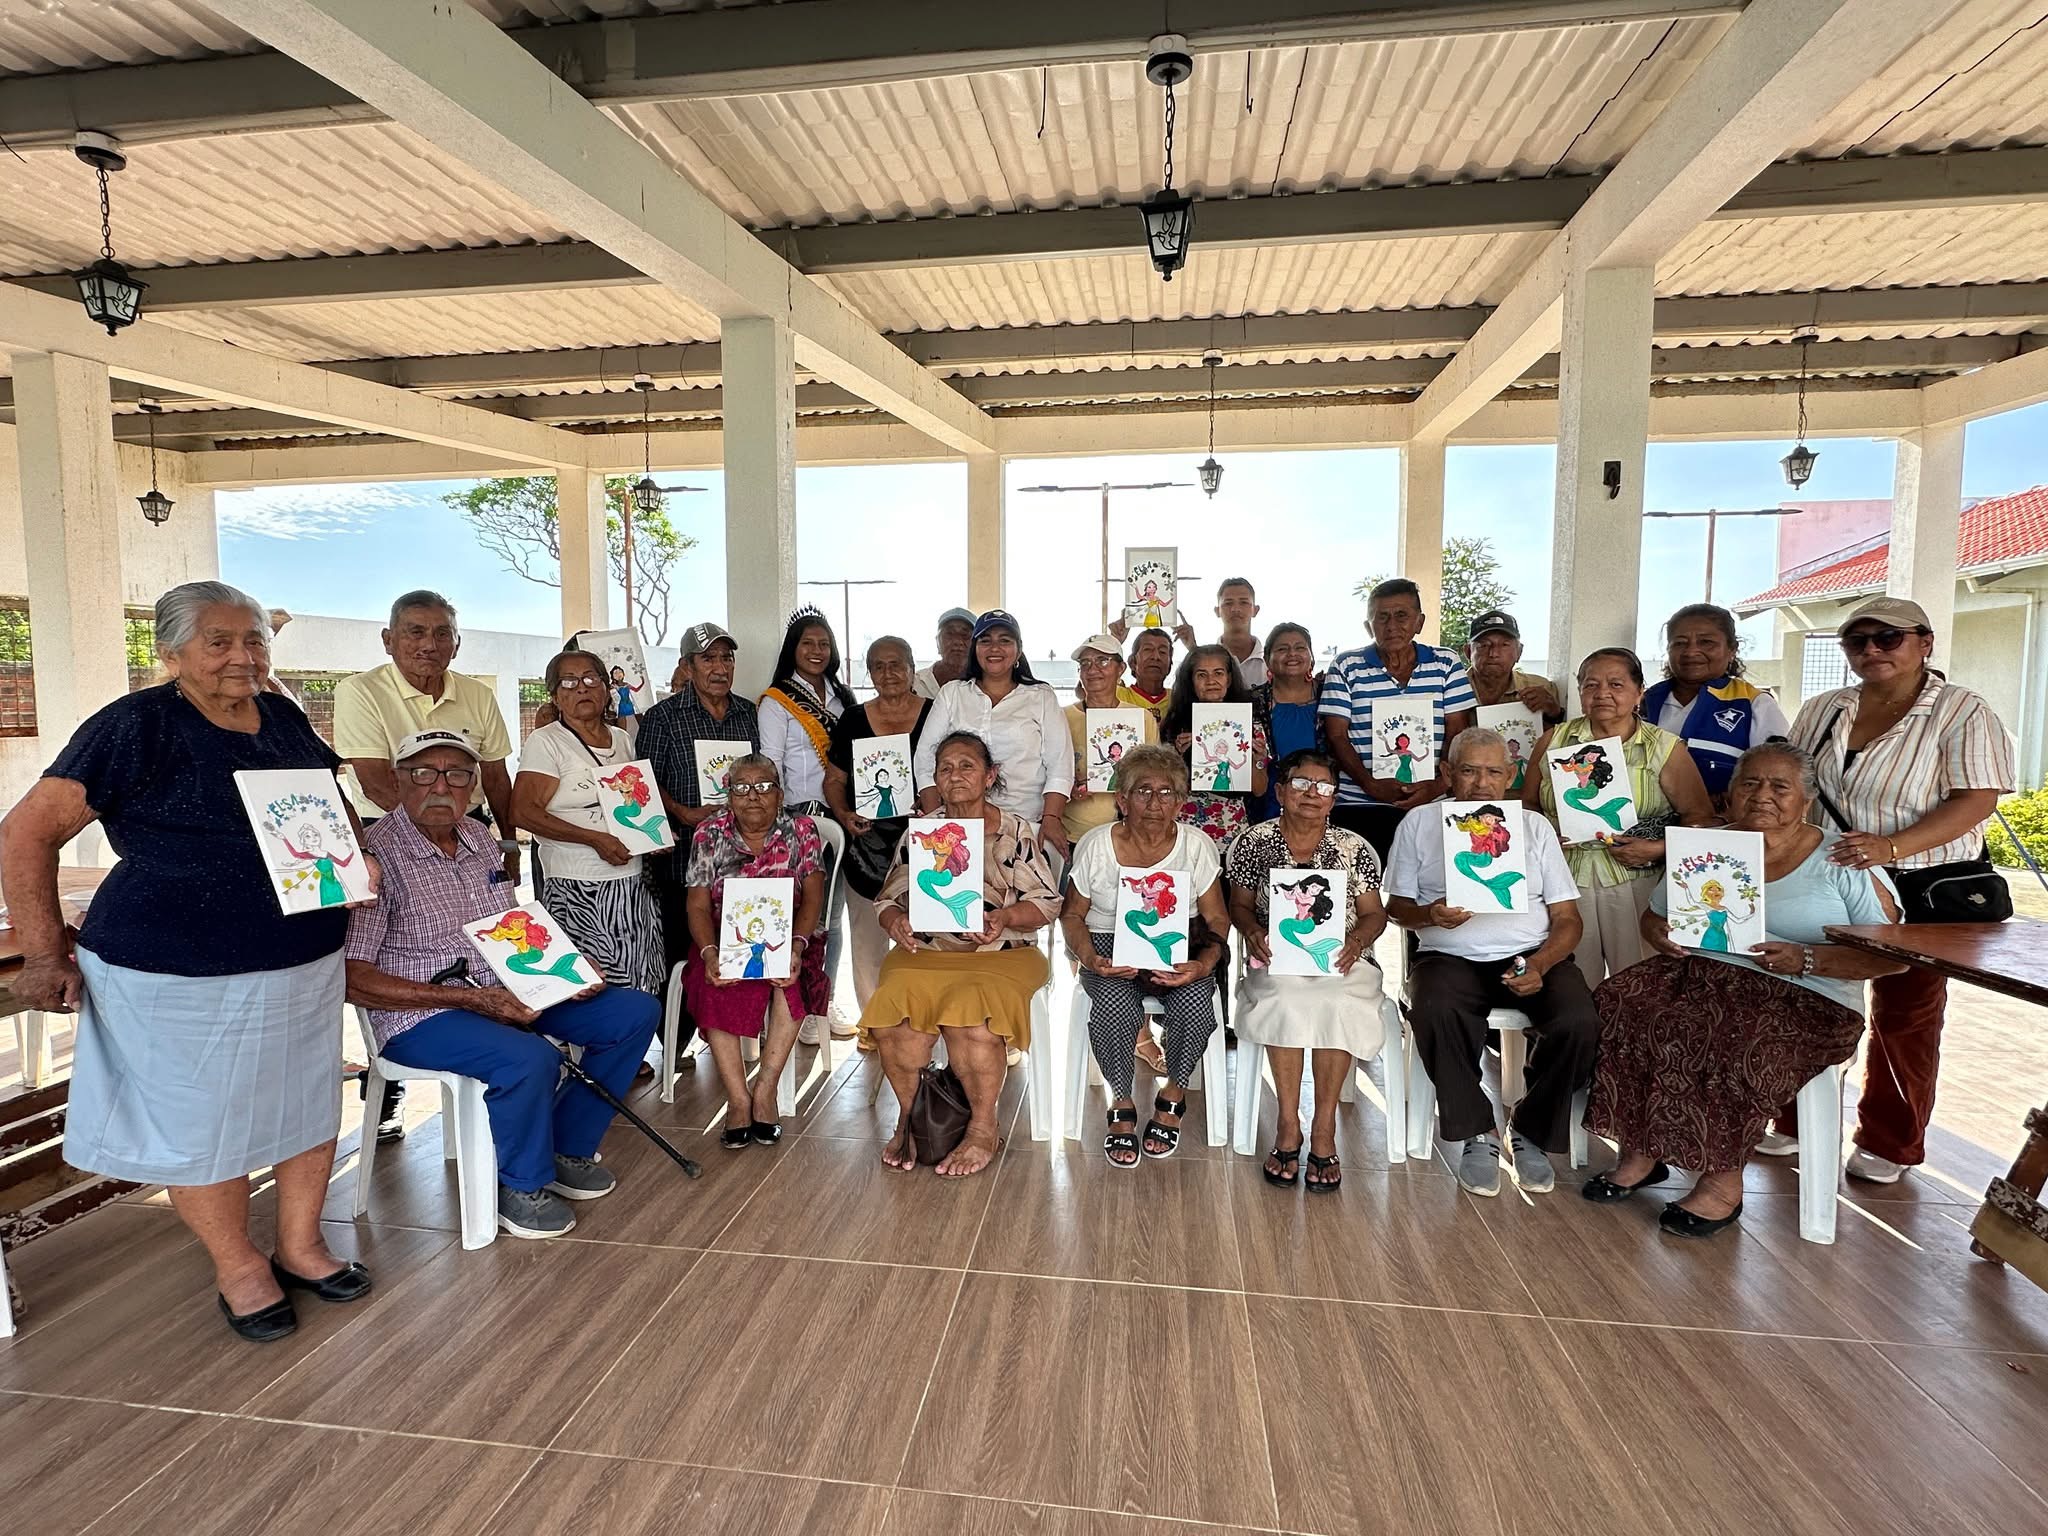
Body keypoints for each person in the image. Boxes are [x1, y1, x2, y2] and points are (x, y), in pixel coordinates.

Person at [0, 582, 375, 1341]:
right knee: (201, 1122)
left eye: (254, 640)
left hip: (301, 956)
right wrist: (43, 951)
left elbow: (323, 803)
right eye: (219, 641)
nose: (242, 656)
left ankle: (301, 1245)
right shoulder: (135, 725)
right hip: (173, 971)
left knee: (306, 1100)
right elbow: (25, 833)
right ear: (171, 654)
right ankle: (239, 1266)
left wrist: (352, 858)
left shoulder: (283, 716)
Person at [1581, 743, 1907, 1236]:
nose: (1762, 796)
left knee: (1733, 1038)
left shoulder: (1842, 859)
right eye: (1750, 784)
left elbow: (1892, 957)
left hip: (1808, 994)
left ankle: (1721, 1181)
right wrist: (1660, 934)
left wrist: (1806, 958)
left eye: (1780, 787)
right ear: (1731, 794)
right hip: (1704, 976)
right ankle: (1640, 1153)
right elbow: (1654, 915)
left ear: (1807, 799)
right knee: (1619, 1004)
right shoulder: (1709, 846)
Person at [347, 733, 659, 1239]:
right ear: (397, 781)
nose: (441, 787)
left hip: (508, 989)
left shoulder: (478, 836)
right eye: (424, 773)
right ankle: (519, 1185)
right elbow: (354, 979)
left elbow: (513, 926)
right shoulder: (373, 858)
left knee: (633, 1012)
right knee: (529, 1058)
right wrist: (472, 999)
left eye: (457, 775)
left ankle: (564, 1146)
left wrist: (566, 969)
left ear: (473, 784)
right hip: (422, 1014)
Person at [1779, 596, 2014, 1182]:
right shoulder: (1824, 709)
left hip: (1920, 882)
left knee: (1906, 1014)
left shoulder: (1962, 711)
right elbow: (1795, 784)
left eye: (1889, 637)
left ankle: (1890, 1140)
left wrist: (1891, 847)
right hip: (1833, 876)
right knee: (1806, 993)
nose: (1872, 650)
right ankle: (1794, 1119)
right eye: (1857, 640)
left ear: (1924, 643)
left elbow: (1976, 800)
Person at [331, 589, 517, 1141]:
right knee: (389, 952)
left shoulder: (476, 695)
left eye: (441, 634)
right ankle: (387, 1090)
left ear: (456, 644)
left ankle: (493, 1039)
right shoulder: (361, 691)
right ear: (389, 640)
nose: (428, 644)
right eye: (415, 632)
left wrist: (507, 845)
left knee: (480, 943)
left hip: (466, 829)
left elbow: (495, 776)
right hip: (386, 836)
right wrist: (425, 831)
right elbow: (374, 778)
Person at [1383, 728, 1599, 1198]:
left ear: (1511, 775)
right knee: (1436, 1009)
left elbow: (1567, 918)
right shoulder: (1420, 823)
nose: (1482, 783)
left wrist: (1541, 962)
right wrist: (1429, 915)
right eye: (1469, 771)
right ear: (1447, 773)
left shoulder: (1534, 827)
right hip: (1448, 957)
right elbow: (1396, 909)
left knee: (1578, 1020)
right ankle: (1477, 1131)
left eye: (1493, 772)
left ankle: (1530, 1128)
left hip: (1531, 955)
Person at [863, 731, 1061, 1177]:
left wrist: (1004, 918)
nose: (955, 775)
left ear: (990, 776)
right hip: (925, 951)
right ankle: (912, 1118)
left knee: (971, 1018)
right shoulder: (923, 833)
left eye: (967, 766)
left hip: (1001, 952)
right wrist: (895, 921)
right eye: (946, 768)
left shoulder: (1013, 831)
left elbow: (1047, 903)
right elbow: (886, 899)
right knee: (894, 1017)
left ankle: (983, 1127)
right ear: (934, 779)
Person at [1225, 748, 1389, 1191]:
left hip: (1344, 959)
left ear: (1334, 798)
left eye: (1323, 787)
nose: (1311, 794)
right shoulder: (1254, 842)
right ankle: (1286, 1123)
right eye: (1300, 784)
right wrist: (1253, 931)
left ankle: (1323, 1128)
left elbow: (1375, 914)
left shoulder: (1353, 848)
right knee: (1285, 997)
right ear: (1281, 792)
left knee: (1338, 1001)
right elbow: (1239, 906)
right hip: (1276, 958)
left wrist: (1356, 942)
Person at [1058, 746, 1230, 1167]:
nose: (1155, 802)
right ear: (1122, 799)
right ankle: (1121, 1099)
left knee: (1195, 999)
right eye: (1143, 791)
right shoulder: (1097, 845)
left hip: (1180, 945)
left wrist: (1203, 964)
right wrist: (1089, 958)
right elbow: (1073, 916)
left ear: (1181, 801)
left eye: (1167, 792)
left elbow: (1217, 918)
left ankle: (1174, 1091)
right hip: (1106, 943)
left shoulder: (1196, 846)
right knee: (1114, 1002)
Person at [1525, 647, 1713, 983]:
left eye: (1616, 684)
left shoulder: (1663, 747)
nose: (1602, 694)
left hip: (1638, 881)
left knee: (1638, 982)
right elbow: (1529, 808)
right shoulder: (1554, 742)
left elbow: (1701, 818)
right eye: (1591, 685)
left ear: (1639, 692)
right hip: (1564, 882)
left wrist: (1658, 849)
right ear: (1580, 692)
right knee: (1574, 982)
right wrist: (1545, 837)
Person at [682, 755, 830, 1145]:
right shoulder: (709, 832)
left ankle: (765, 1089)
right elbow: (697, 905)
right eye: (742, 788)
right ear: (729, 795)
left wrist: (796, 946)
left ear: (779, 794)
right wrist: (710, 952)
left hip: (791, 933)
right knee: (714, 981)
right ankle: (737, 1099)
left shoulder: (802, 829)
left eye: (764, 787)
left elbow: (813, 898)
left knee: (791, 981)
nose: (753, 796)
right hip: (723, 935)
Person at [512, 649, 667, 997]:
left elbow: (632, 801)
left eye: (590, 678)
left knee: (639, 983)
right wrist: (593, 838)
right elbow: (522, 812)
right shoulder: (546, 741)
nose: (581, 687)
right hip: (578, 888)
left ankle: (634, 1035)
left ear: (606, 688)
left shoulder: (622, 739)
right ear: (555, 696)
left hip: (632, 884)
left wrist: (652, 835)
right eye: (568, 682)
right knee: (592, 987)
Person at [636, 622, 762, 1052]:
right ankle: (675, 1043)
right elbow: (644, 784)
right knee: (680, 954)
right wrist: (683, 812)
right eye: (708, 659)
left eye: (727, 658)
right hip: (683, 858)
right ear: (687, 666)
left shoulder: (748, 713)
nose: (720, 667)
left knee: (742, 943)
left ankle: (734, 1033)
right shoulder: (663, 717)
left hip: (741, 861)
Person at [1319, 577, 1477, 862]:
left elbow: (1457, 731)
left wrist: (1437, 785)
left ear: (1419, 622)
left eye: (1402, 615)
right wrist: (1371, 785)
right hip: (1360, 804)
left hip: (1432, 802)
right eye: (1382, 617)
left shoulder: (1446, 663)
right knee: (1362, 884)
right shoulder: (1346, 666)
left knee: (1429, 884)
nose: (1391, 625)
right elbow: (1336, 736)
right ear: (1369, 626)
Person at [758, 607, 859, 1042]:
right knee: (799, 915)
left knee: (832, 917)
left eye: (824, 644)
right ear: (792, 650)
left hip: (842, 815)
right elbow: (771, 764)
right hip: (799, 818)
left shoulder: (844, 698)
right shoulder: (776, 701)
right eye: (808, 643)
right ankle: (786, 1004)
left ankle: (822, 1000)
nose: (817, 651)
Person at [826, 636, 933, 1009]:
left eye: (896, 664)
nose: (888, 673)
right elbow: (834, 780)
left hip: (925, 846)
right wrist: (844, 814)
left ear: (912, 669)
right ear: (869, 673)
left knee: (925, 939)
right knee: (868, 942)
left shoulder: (936, 713)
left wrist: (934, 804)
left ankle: (922, 1020)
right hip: (867, 845)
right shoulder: (853, 719)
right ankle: (874, 1022)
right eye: (878, 666)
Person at [913, 610, 1074, 857]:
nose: (994, 648)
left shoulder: (1041, 696)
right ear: (975, 649)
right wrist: (937, 819)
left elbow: (1060, 764)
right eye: (985, 640)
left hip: (1024, 823)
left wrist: (1052, 817)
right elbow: (926, 759)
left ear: (1018, 650)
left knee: (1020, 882)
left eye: (1004, 640)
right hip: (959, 825)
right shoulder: (953, 693)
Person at [1640, 602, 1792, 805]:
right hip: (1644, 822)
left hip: (1722, 823)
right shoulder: (1645, 702)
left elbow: (1777, 778)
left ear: (1732, 650)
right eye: (1680, 643)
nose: (1691, 652)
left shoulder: (1754, 704)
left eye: (1706, 642)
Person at [1159, 644, 1270, 847]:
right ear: (1191, 681)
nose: (1211, 681)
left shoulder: (1247, 724)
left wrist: (1256, 761)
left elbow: (1259, 790)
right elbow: (1164, 788)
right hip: (1185, 827)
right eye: (1201, 675)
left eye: (1218, 673)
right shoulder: (1176, 724)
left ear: (1229, 678)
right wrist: (1178, 757)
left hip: (1230, 826)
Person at [1062, 632, 1161, 848]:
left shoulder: (1142, 718)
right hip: (1074, 833)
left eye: (1102, 661)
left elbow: (1154, 774)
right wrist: (1067, 788)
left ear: (1121, 668)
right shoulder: (1061, 717)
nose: (1092, 669)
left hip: (1130, 832)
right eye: (1085, 663)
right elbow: (1048, 772)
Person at [1251, 623, 1321, 822]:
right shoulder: (1252, 702)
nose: (1292, 654)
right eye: (1282, 649)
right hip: (1269, 804)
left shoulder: (1330, 694)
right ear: (1267, 659)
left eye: (1300, 648)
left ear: (1311, 656)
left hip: (1322, 800)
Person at [1463, 610, 1562, 722]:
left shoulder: (1540, 687)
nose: (1493, 654)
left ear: (1519, 652)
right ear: (1468, 652)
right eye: (1484, 645)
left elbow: (1559, 730)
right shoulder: (1451, 689)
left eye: (1504, 645)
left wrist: (1554, 712)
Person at [913, 607, 977, 700]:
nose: (957, 641)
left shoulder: (986, 684)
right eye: (949, 634)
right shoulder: (916, 682)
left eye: (965, 635)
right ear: (937, 641)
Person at [1123, 629, 1175, 721]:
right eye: (1148, 650)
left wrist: (1192, 646)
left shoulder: (1177, 699)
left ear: (1170, 664)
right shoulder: (1118, 696)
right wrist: (1114, 640)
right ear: (1132, 662)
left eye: (1162, 652)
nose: (1156, 657)